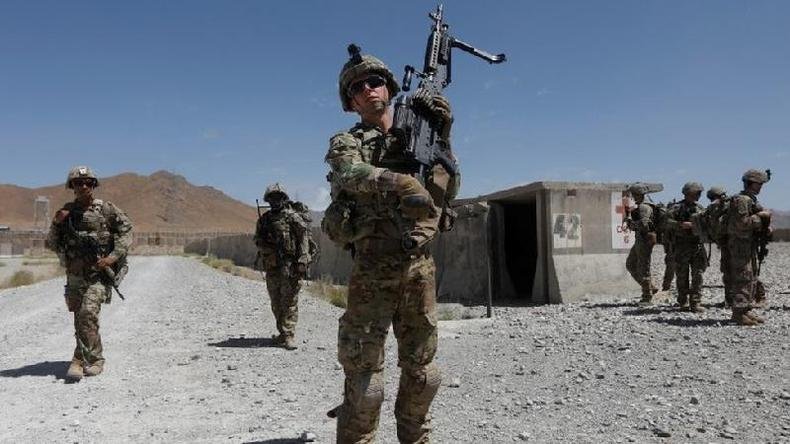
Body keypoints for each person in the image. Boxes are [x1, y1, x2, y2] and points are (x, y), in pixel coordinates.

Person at [322, 47, 458, 443]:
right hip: (372, 270)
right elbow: (349, 172)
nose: (368, 89)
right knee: (366, 380)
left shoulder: (419, 132)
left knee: (424, 371)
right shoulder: (348, 141)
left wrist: (443, 135)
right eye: (357, 87)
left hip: (419, 267)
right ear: (350, 101)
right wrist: (402, 182)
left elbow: (446, 191)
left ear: (389, 85)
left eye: (375, 81)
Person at [46, 166, 133, 381]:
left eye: (88, 182)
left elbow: (126, 230)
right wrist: (56, 223)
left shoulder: (107, 209)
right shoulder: (66, 213)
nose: (83, 186)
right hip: (75, 275)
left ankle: (91, 360)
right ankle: (82, 358)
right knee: (80, 318)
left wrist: (112, 257)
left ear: (93, 185)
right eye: (78, 183)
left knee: (87, 313)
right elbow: (52, 244)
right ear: (72, 187)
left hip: (98, 275)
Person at [253, 183, 314, 350]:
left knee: (290, 301)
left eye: (278, 197)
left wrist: (303, 259)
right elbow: (257, 239)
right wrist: (266, 247)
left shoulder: (293, 217)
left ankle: (289, 335)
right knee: (276, 301)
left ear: (284, 198)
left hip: (290, 266)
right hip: (272, 266)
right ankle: (282, 332)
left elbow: (303, 239)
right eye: (272, 198)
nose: (275, 201)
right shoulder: (264, 220)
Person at [727, 169, 772, 325]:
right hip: (740, 244)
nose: (760, 187)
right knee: (743, 277)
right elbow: (742, 224)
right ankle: (739, 313)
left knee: (750, 276)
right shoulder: (742, 200)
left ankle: (746, 309)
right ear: (750, 183)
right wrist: (760, 218)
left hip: (748, 244)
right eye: (758, 184)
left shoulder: (750, 200)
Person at [665, 182, 707, 311]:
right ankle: (683, 301)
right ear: (688, 193)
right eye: (697, 193)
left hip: (697, 245)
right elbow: (665, 221)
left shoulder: (700, 207)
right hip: (681, 245)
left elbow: (706, 223)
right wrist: (680, 225)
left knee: (698, 274)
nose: (699, 195)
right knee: (682, 275)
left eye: (700, 193)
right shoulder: (676, 207)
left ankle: (695, 302)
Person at [624, 183, 659, 305]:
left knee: (643, 268)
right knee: (631, 264)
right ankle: (650, 287)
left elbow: (644, 225)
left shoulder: (644, 207)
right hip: (641, 239)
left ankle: (647, 296)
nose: (632, 196)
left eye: (633, 194)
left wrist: (631, 224)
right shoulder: (641, 206)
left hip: (645, 240)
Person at [703, 186, 731, 307]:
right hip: (725, 243)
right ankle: (730, 300)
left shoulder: (730, 206)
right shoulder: (714, 207)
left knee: (738, 272)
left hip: (733, 243)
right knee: (727, 271)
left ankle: (742, 300)